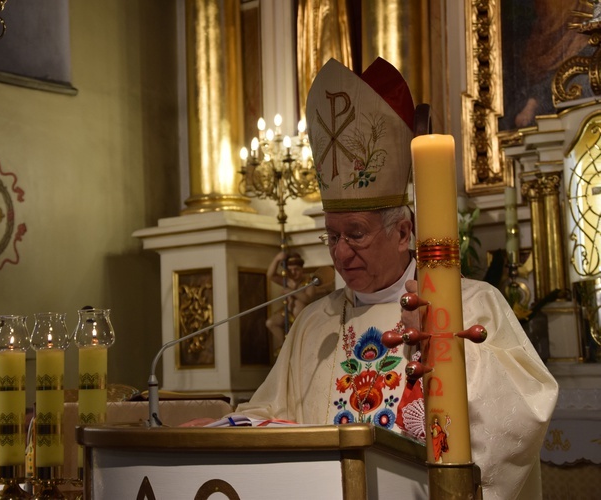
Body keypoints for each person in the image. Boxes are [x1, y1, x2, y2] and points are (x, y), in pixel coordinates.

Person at [208, 58, 557, 500]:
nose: (339, 251)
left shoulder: (473, 304)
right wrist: (231, 424)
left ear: (403, 233)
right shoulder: (315, 323)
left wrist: (446, 350)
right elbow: (271, 412)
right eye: (332, 236)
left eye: (355, 233)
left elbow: (527, 408)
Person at [265, 250, 335, 354]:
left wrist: (291, 292)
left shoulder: (308, 281)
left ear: (301, 269)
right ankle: (284, 344)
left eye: (296, 269)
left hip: (302, 314)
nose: (293, 272)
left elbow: (308, 298)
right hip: (287, 312)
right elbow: (270, 275)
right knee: (271, 323)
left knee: (299, 305)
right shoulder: (287, 280)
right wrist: (277, 259)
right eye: (290, 270)